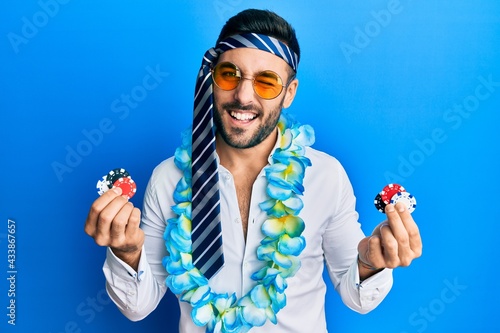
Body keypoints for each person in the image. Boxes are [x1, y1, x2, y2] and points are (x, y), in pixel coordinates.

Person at [84, 9, 422, 333]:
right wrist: (127, 252)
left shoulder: (326, 176)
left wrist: (370, 262)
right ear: (210, 80)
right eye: (229, 74)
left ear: (288, 93)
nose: (243, 96)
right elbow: (137, 306)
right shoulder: (168, 178)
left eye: (266, 82)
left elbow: (357, 298)